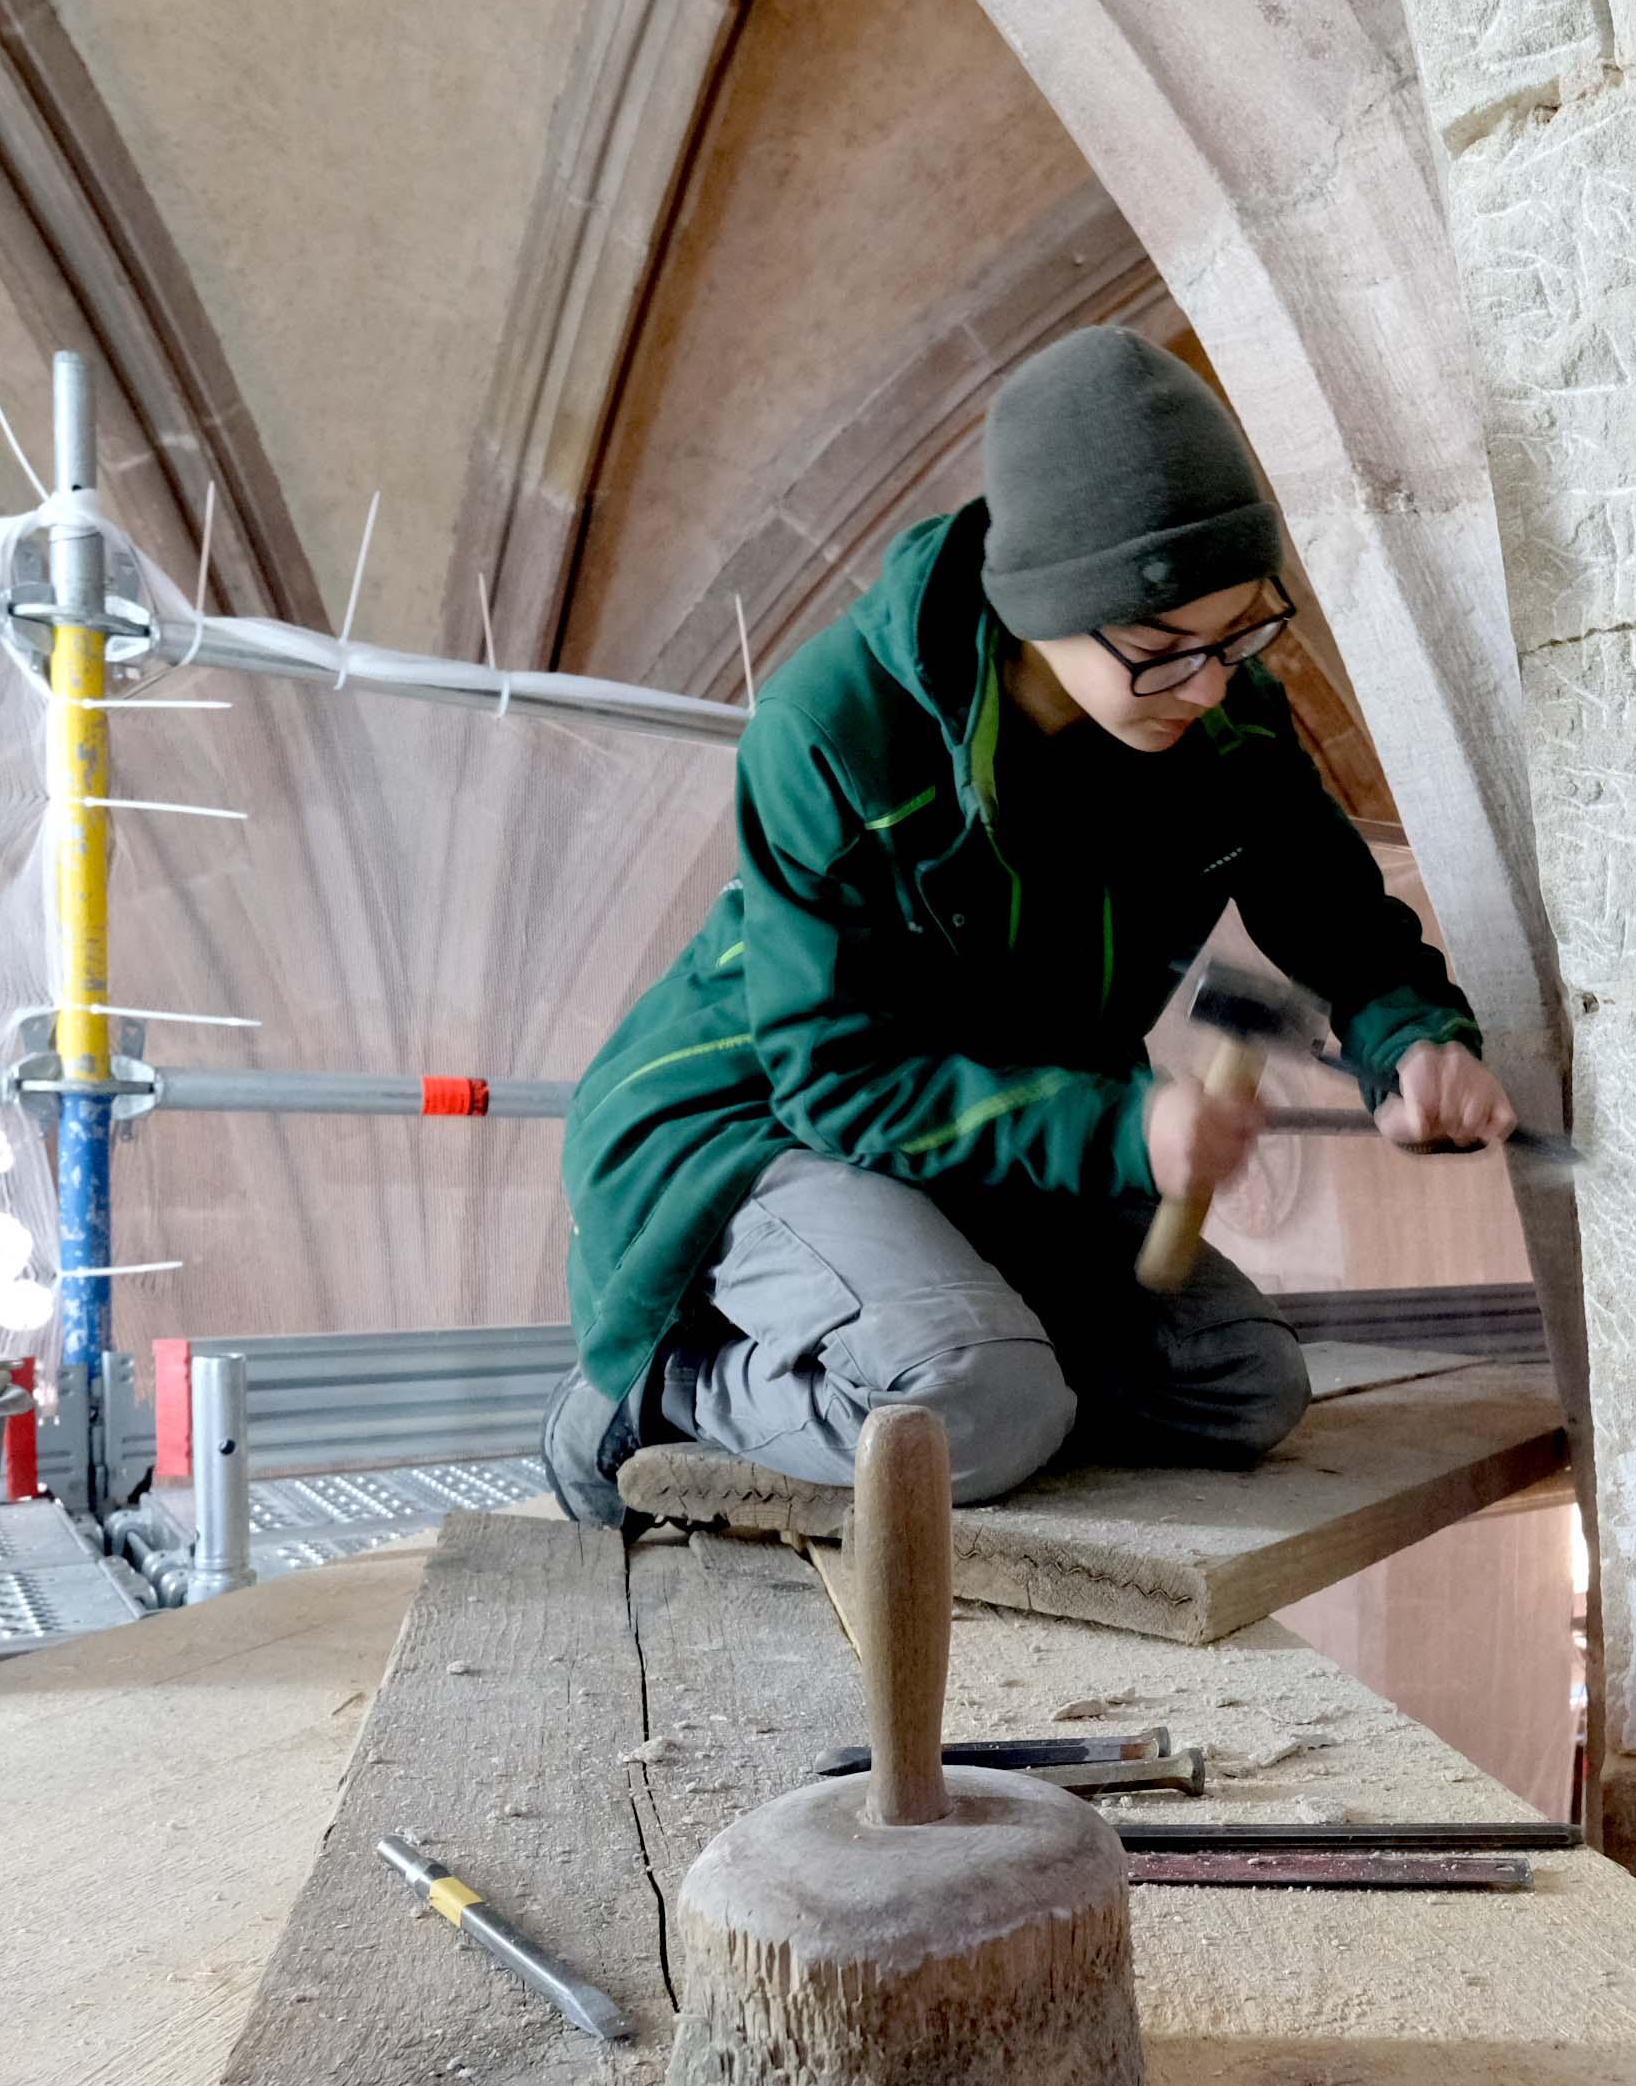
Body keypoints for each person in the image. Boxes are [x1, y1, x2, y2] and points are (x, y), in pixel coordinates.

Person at [542, 327, 1515, 1520]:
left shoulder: (1227, 716)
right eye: (1163, 652)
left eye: (1241, 633)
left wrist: (1411, 1039)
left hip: (996, 1132)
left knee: (1242, 1384)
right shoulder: (831, 727)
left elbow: (1338, 919)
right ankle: (668, 1391)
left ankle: (970, 1369)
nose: (1212, 685)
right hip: (762, 1123)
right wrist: (1123, 1132)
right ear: (1040, 607)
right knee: (975, 1403)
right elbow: (839, 1079)